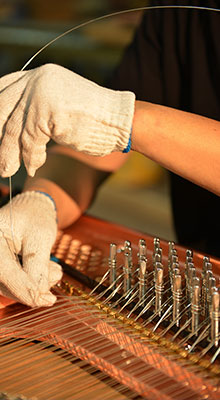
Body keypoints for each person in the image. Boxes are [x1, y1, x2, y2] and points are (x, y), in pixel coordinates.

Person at [0, 1, 219, 307]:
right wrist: (40, 200)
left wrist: (123, 118)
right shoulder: (178, 11)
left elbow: (124, 123)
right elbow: (102, 149)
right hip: (200, 283)